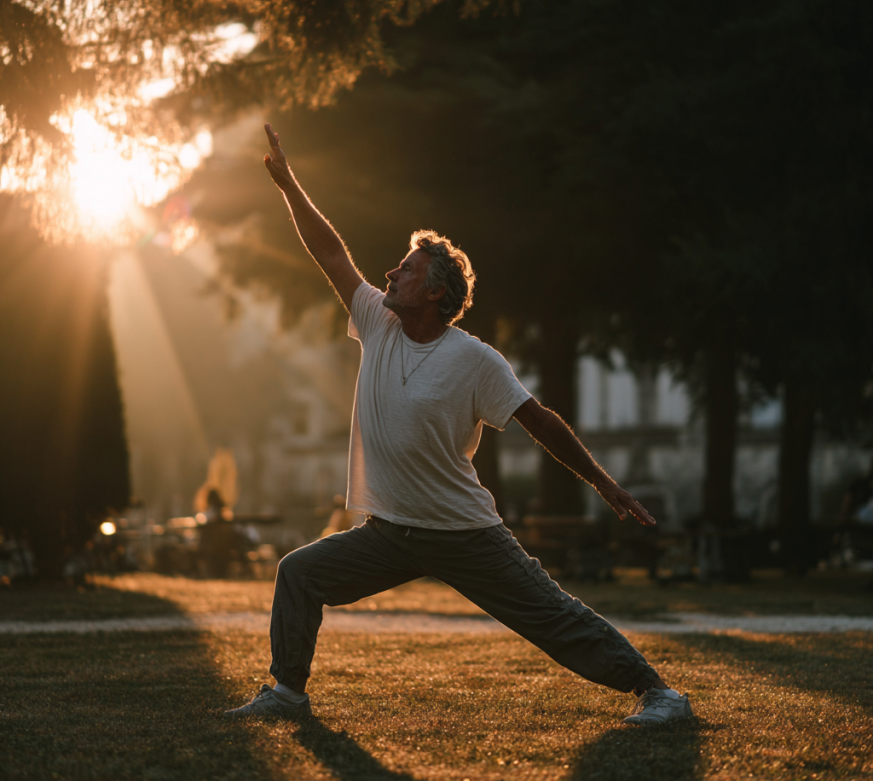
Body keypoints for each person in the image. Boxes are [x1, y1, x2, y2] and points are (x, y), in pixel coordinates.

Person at [224, 124, 694, 726]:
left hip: (461, 532)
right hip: (391, 531)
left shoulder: (473, 359)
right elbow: (330, 252)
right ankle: (288, 693)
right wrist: (289, 185)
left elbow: (540, 421)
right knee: (299, 572)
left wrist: (605, 483)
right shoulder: (377, 322)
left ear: (435, 292)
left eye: (405, 270)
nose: (389, 276)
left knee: (552, 617)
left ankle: (660, 694)